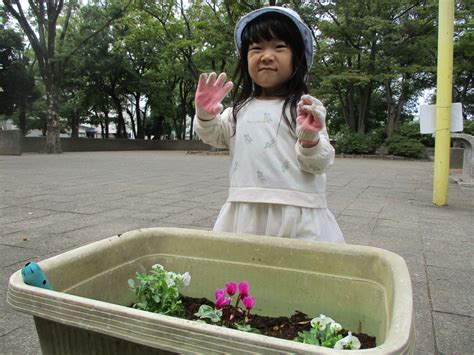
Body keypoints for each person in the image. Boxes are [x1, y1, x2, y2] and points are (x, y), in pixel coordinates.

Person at [193, 6, 344, 243]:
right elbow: (214, 135)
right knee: (246, 273)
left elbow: (321, 163)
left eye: (279, 47)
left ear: (298, 57)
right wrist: (205, 115)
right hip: (245, 213)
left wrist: (309, 141)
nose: (266, 55)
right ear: (246, 59)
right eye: (256, 48)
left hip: (299, 213)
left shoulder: (304, 109)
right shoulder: (238, 111)